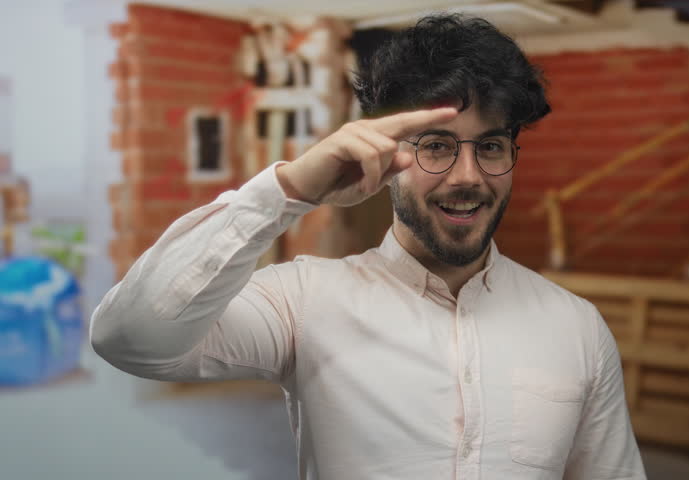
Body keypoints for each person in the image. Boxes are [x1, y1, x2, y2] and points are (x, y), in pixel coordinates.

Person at [90, 14, 646, 480]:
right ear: (385, 152)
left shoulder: (576, 327)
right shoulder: (305, 301)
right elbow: (131, 338)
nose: (468, 177)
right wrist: (289, 190)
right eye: (436, 146)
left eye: (493, 146)